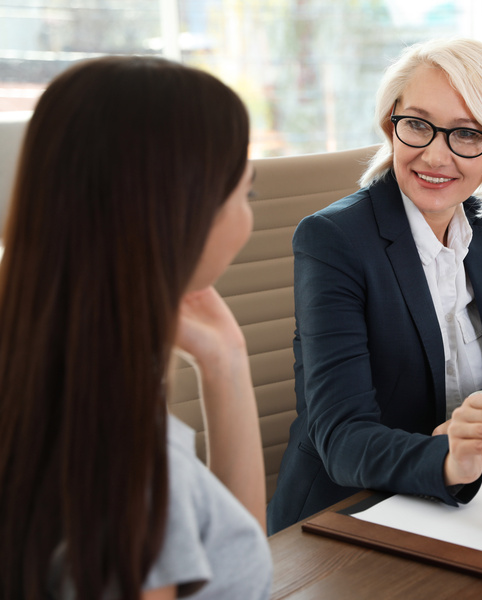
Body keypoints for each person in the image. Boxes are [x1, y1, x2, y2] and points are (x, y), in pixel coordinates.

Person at [267, 38, 482, 533]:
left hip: (474, 497)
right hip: (349, 513)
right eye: (417, 125)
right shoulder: (333, 241)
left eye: (467, 134)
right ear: (389, 125)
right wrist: (448, 456)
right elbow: (342, 437)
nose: (435, 156)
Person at [0, 56, 272, 599]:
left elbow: (234, 556)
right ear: (184, 216)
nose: (249, 216)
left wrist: (225, 362)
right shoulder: (129, 464)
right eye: (247, 193)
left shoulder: (45, 391)